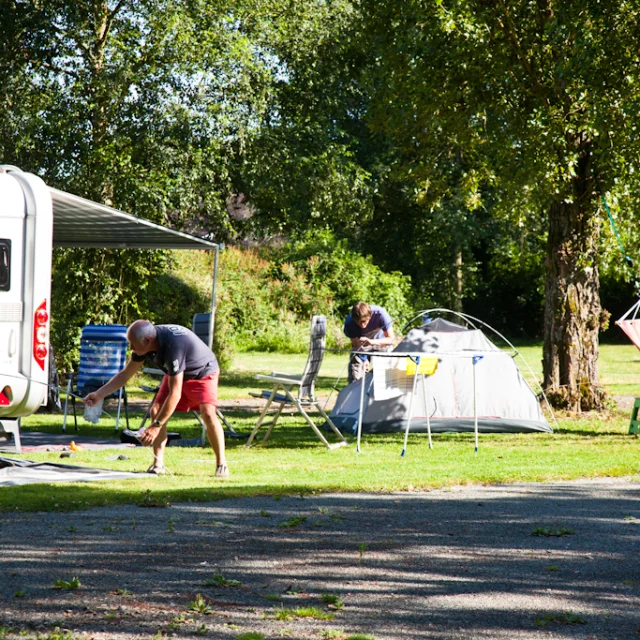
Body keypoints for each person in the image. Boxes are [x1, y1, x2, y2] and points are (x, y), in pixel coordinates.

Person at [83, 320, 229, 477]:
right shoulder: (146, 343)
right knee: (156, 409)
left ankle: (221, 464)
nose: (131, 348)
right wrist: (99, 394)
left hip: (203, 371)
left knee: (207, 412)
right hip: (177, 373)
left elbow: (175, 394)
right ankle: (158, 463)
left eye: (133, 344)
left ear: (147, 341)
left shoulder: (173, 347)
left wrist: (155, 426)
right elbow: (125, 375)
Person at [343, 302, 395, 383]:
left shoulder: (380, 314)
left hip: (381, 342)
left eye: (364, 321)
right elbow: (357, 346)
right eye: (358, 322)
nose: (362, 325)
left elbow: (391, 339)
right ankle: (355, 386)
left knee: (390, 355)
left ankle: (388, 383)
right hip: (362, 345)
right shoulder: (349, 323)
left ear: (370, 316)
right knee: (356, 358)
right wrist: (364, 360)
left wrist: (371, 341)